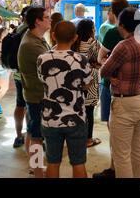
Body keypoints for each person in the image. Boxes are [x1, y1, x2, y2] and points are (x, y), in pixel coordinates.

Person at [100, 7, 140, 178]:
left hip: (125, 104)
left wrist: (112, 73)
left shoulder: (123, 46)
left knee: (121, 155)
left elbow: (104, 71)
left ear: (121, 25)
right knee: (137, 148)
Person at [37, 21, 92, 178]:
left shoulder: (42, 59)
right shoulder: (81, 60)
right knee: (78, 163)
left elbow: (43, 80)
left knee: (53, 162)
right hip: (77, 118)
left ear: (53, 36)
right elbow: (87, 85)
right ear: (75, 38)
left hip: (50, 119)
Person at [93, 0, 129, 179]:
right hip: (132, 88)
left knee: (113, 128)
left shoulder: (112, 32)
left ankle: (115, 167)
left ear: (113, 13)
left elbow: (100, 59)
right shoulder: (137, 34)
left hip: (111, 84)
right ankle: (121, 165)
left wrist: (109, 67)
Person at [17, 7, 51, 178]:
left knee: (32, 132)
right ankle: (37, 171)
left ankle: (34, 166)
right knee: (37, 136)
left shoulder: (37, 39)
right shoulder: (31, 44)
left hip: (36, 95)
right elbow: (52, 66)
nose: (50, 19)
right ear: (38, 21)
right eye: (47, 17)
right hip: (37, 97)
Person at [72, 19, 102, 148]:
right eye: (93, 28)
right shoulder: (93, 43)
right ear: (90, 30)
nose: (94, 31)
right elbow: (99, 60)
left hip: (74, 79)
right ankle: (88, 139)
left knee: (77, 108)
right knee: (89, 110)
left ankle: (76, 137)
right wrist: (95, 63)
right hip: (89, 78)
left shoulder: (74, 42)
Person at [12, 6, 30, 148]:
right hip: (27, 75)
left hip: (18, 74)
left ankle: (19, 135)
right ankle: (32, 136)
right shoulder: (29, 31)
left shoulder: (18, 29)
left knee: (20, 105)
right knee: (31, 106)